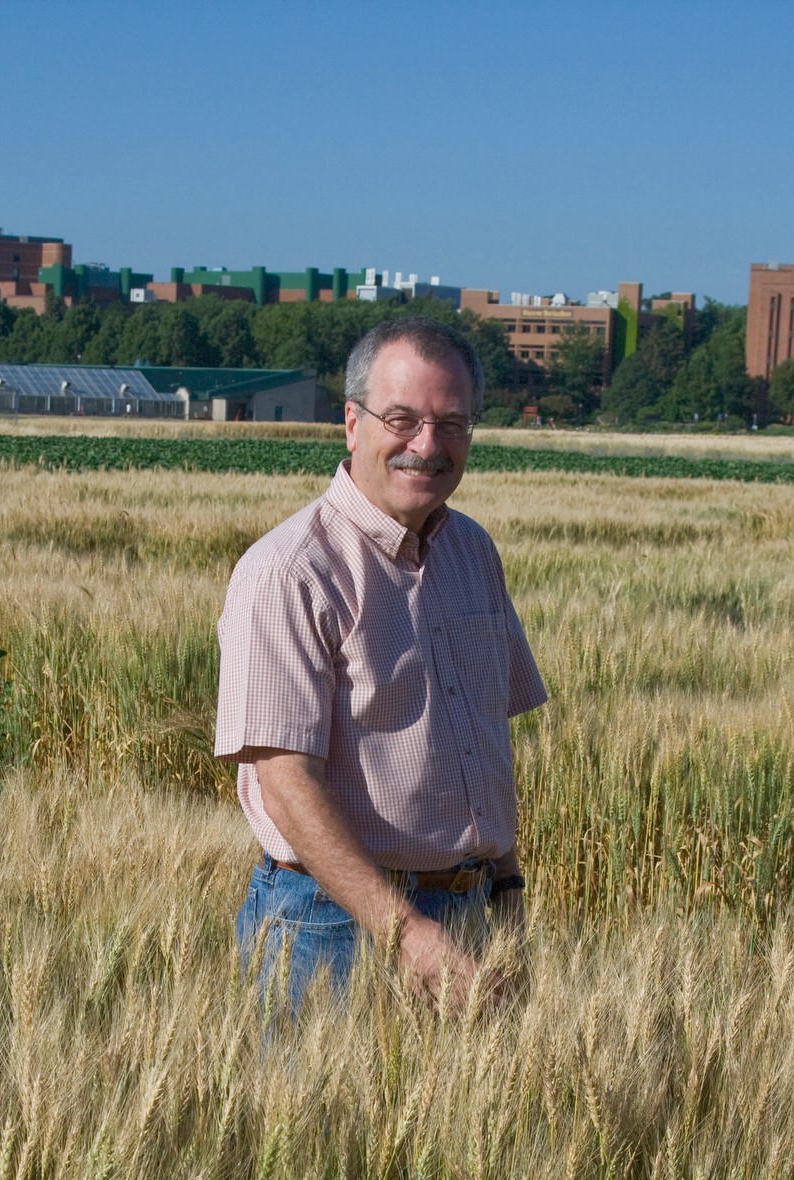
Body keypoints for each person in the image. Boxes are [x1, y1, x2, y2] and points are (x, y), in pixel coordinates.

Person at [213, 316, 547, 1010]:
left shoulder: (473, 552)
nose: (427, 445)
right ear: (351, 423)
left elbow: (484, 740)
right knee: (319, 1122)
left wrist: (507, 886)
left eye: (452, 423)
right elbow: (285, 785)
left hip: (470, 912)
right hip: (328, 924)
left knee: (464, 1124)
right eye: (402, 419)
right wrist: (402, 932)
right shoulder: (289, 572)